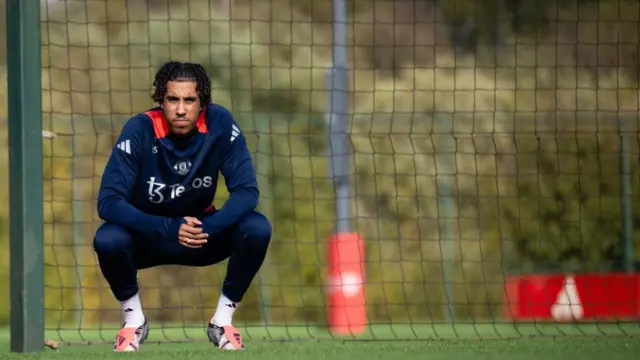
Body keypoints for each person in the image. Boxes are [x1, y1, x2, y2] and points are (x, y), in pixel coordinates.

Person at [93, 61, 272, 352]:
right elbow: (109, 201)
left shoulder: (220, 124)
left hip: (201, 234)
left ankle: (222, 321)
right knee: (108, 238)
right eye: (172, 99)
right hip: (150, 236)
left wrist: (209, 227)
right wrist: (167, 227)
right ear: (160, 101)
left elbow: (247, 192)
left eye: (189, 100)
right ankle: (133, 322)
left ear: (202, 102)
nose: (180, 109)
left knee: (257, 227)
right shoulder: (139, 129)